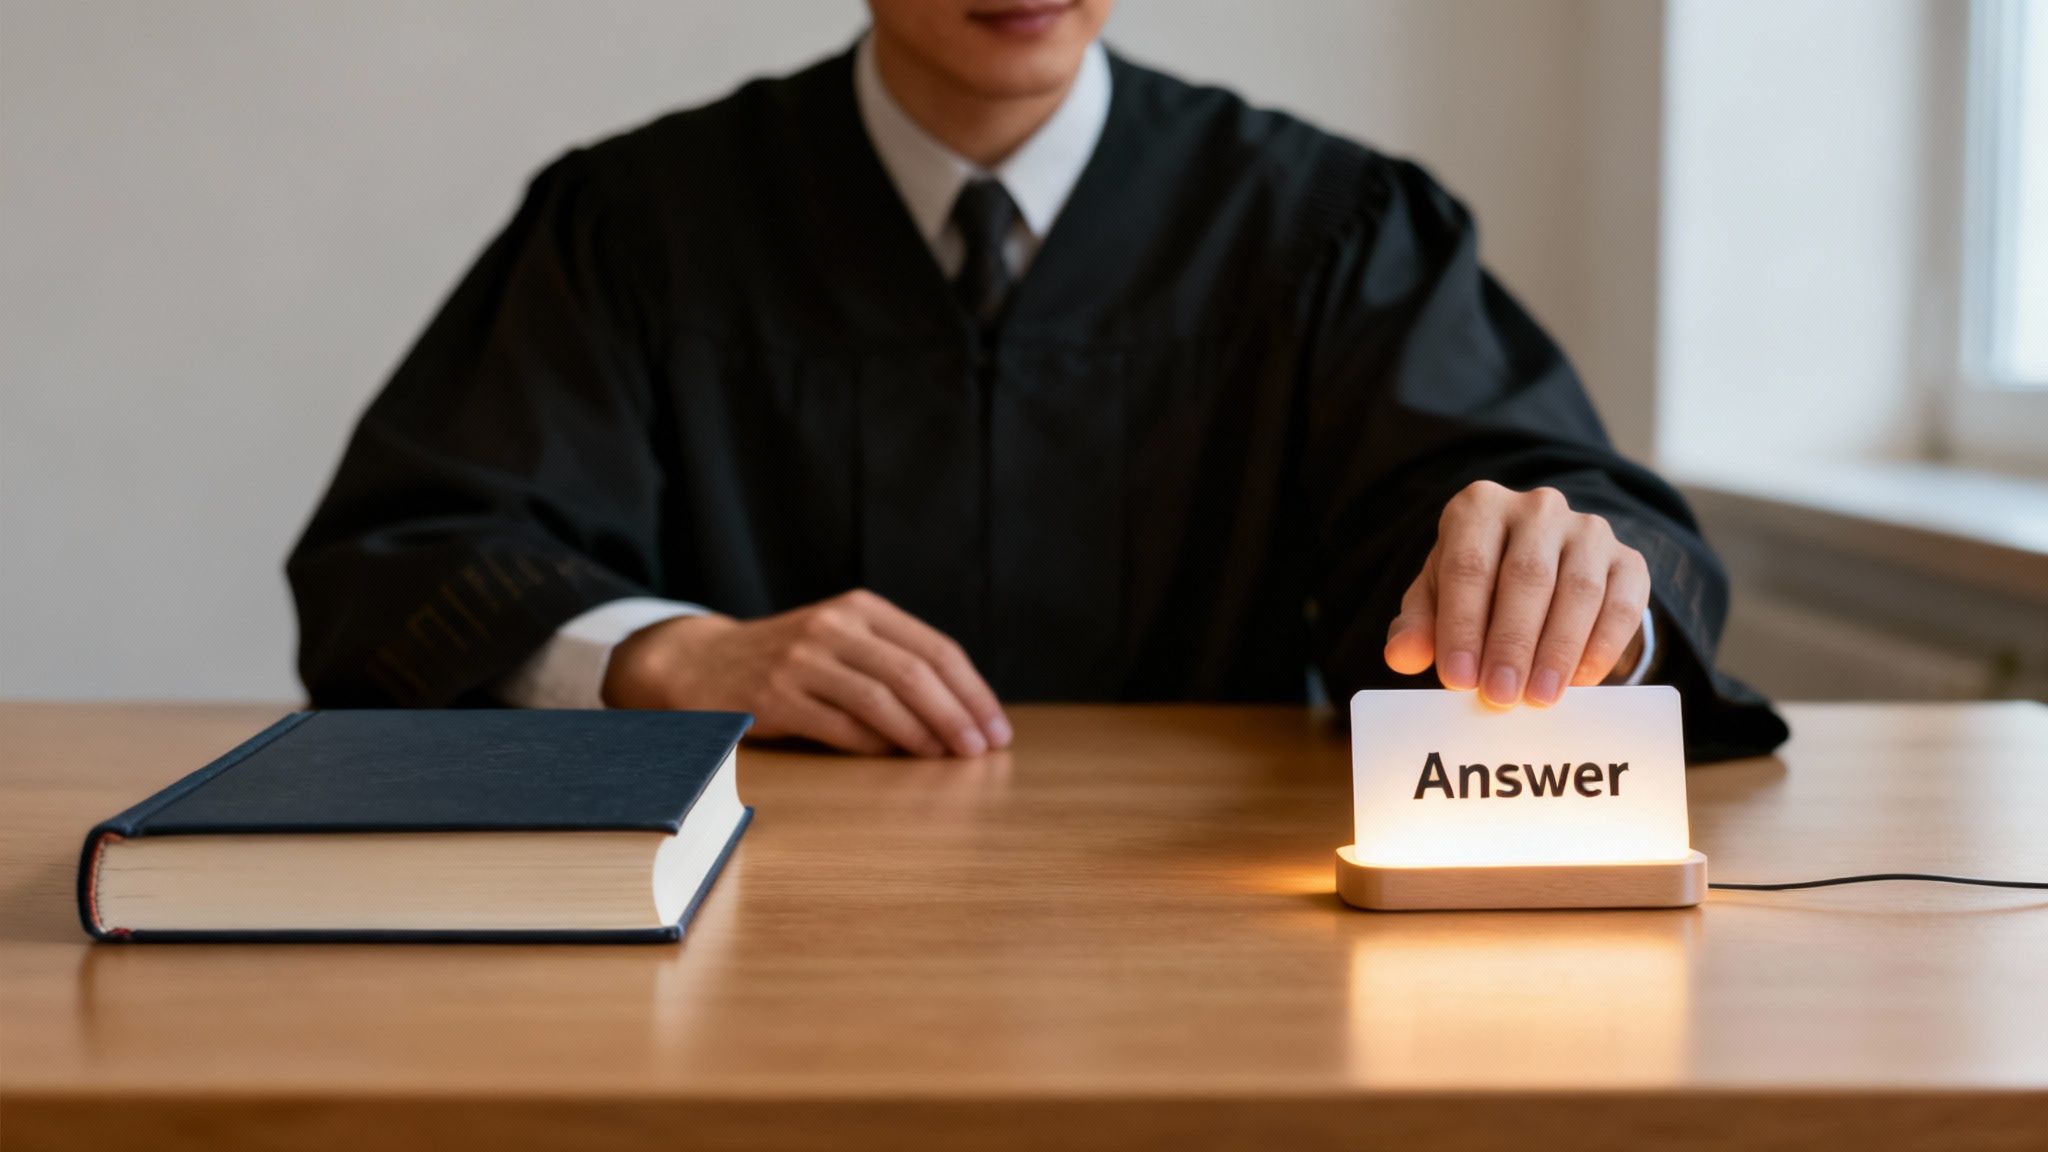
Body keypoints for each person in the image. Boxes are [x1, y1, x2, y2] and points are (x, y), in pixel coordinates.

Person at [288, 0, 1787, 761]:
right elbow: (413, 555)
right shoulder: (638, 226)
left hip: (1221, 960)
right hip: (740, 952)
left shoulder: (1327, 230)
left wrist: (1552, 567)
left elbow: (1522, 494)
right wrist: (663, 658)